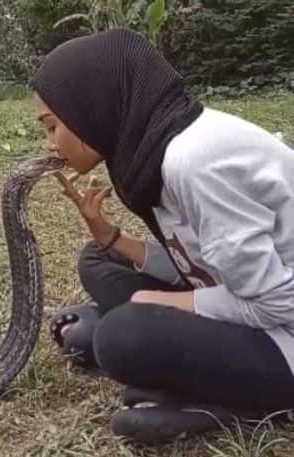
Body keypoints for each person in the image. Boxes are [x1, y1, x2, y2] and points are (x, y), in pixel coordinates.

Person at [29, 28, 294, 443]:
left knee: (122, 337)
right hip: (244, 292)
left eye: (51, 126)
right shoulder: (154, 150)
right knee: (99, 260)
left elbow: (279, 303)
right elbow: (198, 262)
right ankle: (160, 350)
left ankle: (233, 402)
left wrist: (162, 302)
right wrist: (109, 236)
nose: (49, 144)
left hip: (285, 328)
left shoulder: (193, 162)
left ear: (90, 107)